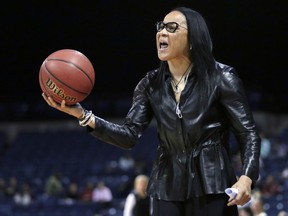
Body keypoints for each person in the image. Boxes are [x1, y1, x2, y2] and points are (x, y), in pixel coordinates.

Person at [42, 6, 261, 216]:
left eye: (172, 27)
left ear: (194, 39)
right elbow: (129, 136)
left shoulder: (222, 77)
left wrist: (247, 177)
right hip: (166, 184)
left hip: (213, 182)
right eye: (161, 26)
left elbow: (247, 132)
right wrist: (83, 116)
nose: (162, 32)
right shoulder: (149, 84)